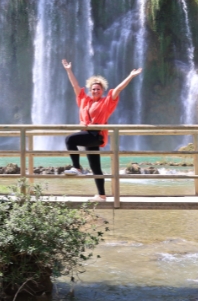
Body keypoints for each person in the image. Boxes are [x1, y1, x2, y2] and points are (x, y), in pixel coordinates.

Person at [61, 59, 142, 201]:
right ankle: (102, 195)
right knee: (95, 167)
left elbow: (118, 89)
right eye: (93, 89)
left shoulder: (106, 102)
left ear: (102, 90)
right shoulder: (84, 100)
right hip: (87, 135)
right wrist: (68, 70)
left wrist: (131, 76)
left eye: (98, 89)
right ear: (90, 90)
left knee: (69, 139)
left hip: (95, 135)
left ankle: (77, 167)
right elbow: (75, 85)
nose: (95, 91)